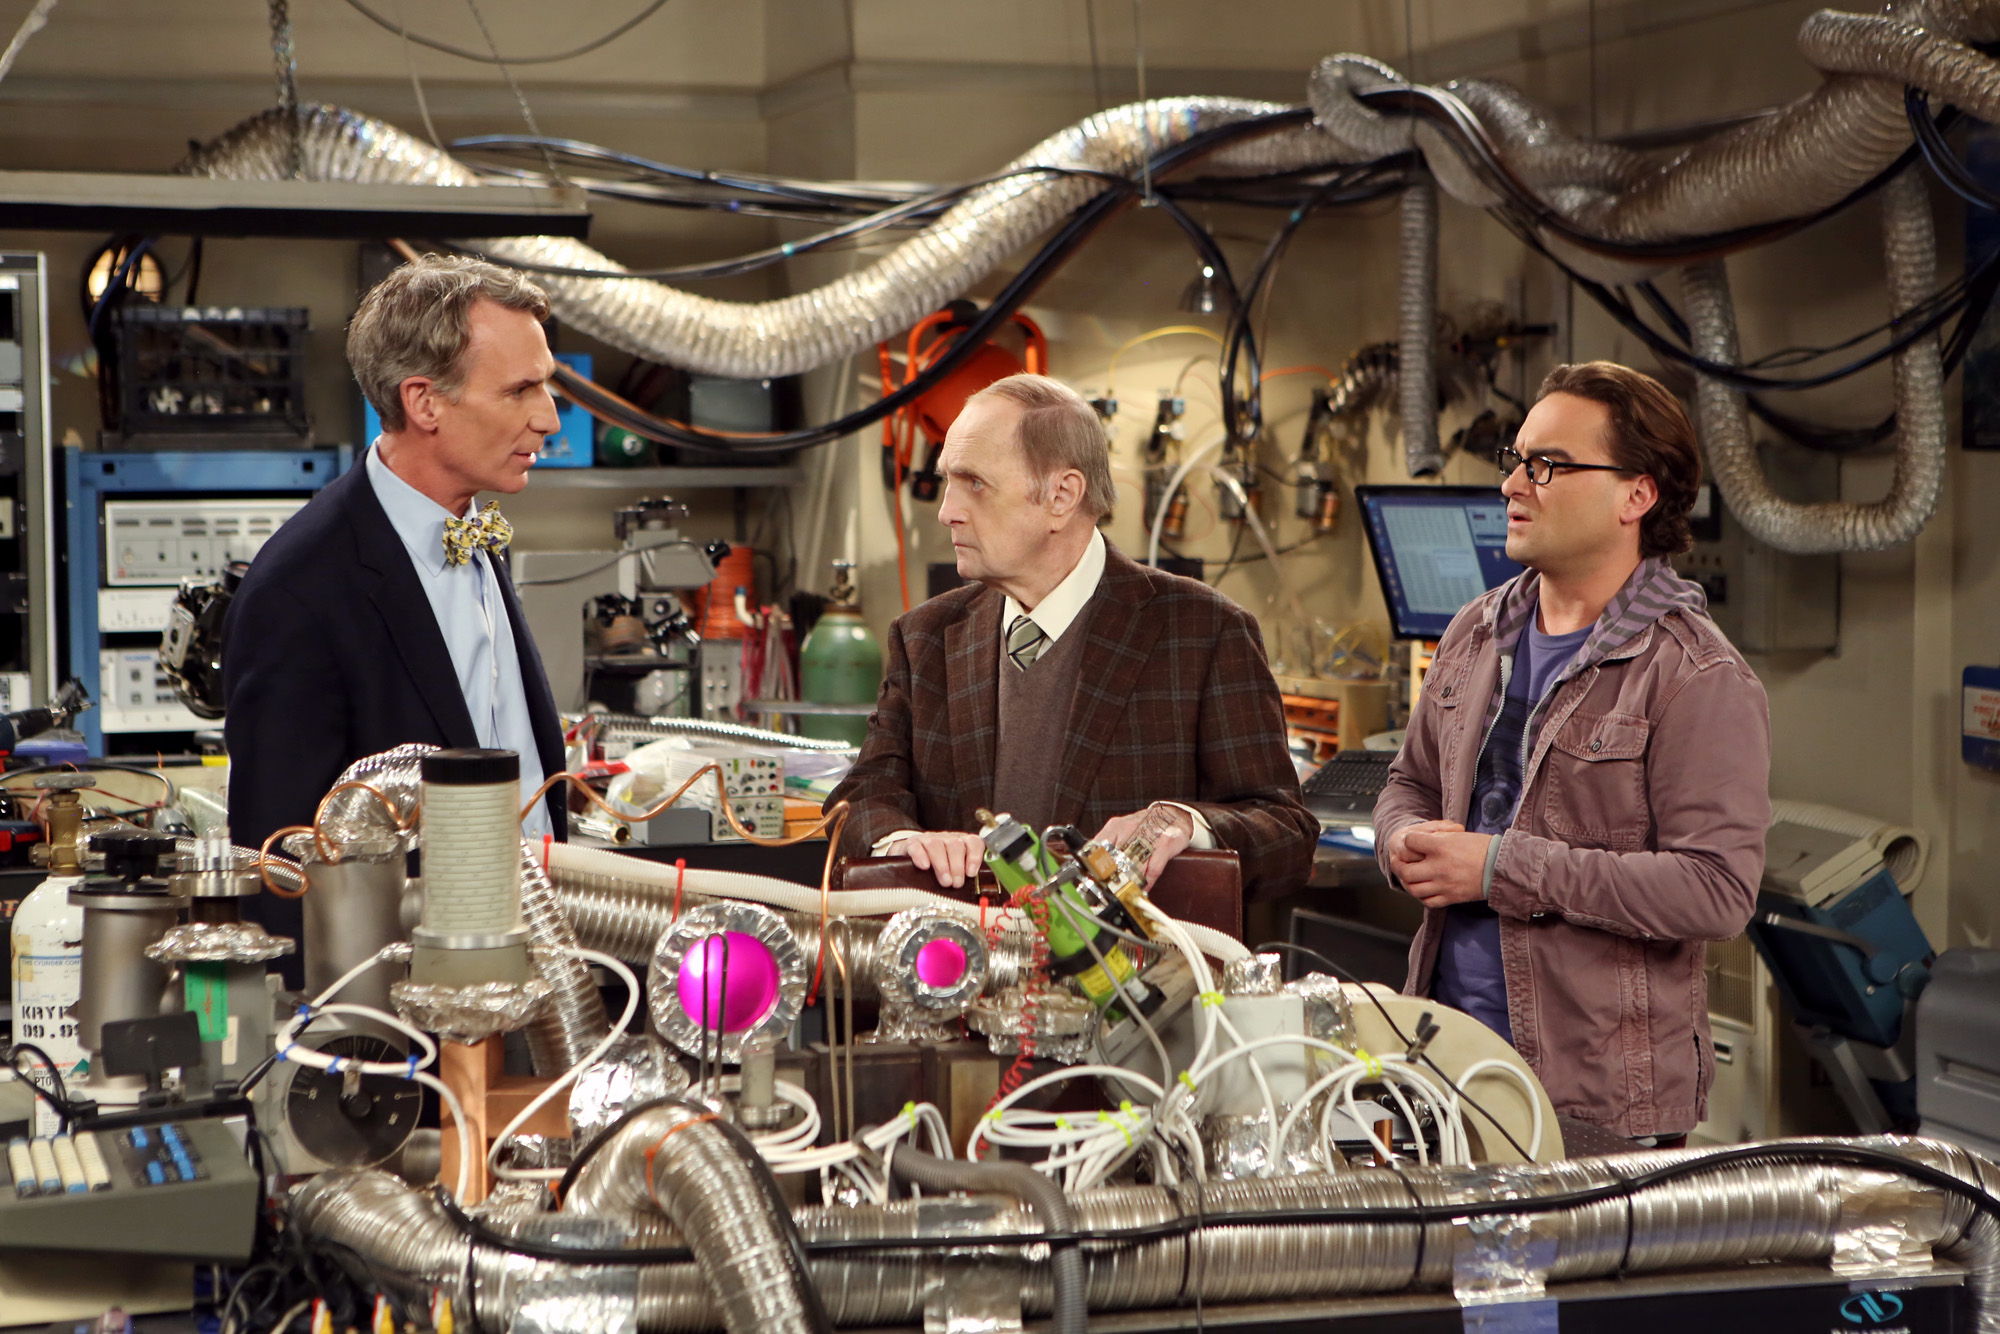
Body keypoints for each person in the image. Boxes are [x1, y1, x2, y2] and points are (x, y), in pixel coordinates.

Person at [1372, 361, 1769, 1144]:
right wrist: (1399, 840)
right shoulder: (1474, 632)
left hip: (1594, 1101)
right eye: (1516, 461)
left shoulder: (1694, 676)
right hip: (1442, 1063)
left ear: (1637, 495)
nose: (1515, 485)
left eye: (1548, 465)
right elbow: (1407, 780)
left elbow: (1717, 890)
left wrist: (1500, 868)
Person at [827, 373, 1317, 901]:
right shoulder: (925, 636)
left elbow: (1286, 833)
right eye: (948, 481)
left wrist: (1184, 822)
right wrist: (902, 842)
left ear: (1062, 496)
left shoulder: (1204, 632)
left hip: (1137, 974)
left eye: (973, 482)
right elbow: (861, 795)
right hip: (967, 972)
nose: (948, 510)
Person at [224, 254, 569, 963]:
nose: (550, 417)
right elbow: (281, 868)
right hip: (407, 1015)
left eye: (548, 384)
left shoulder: (475, 531)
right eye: (521, 390)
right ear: (425, 402)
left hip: (540, 968)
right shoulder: (300, 589)